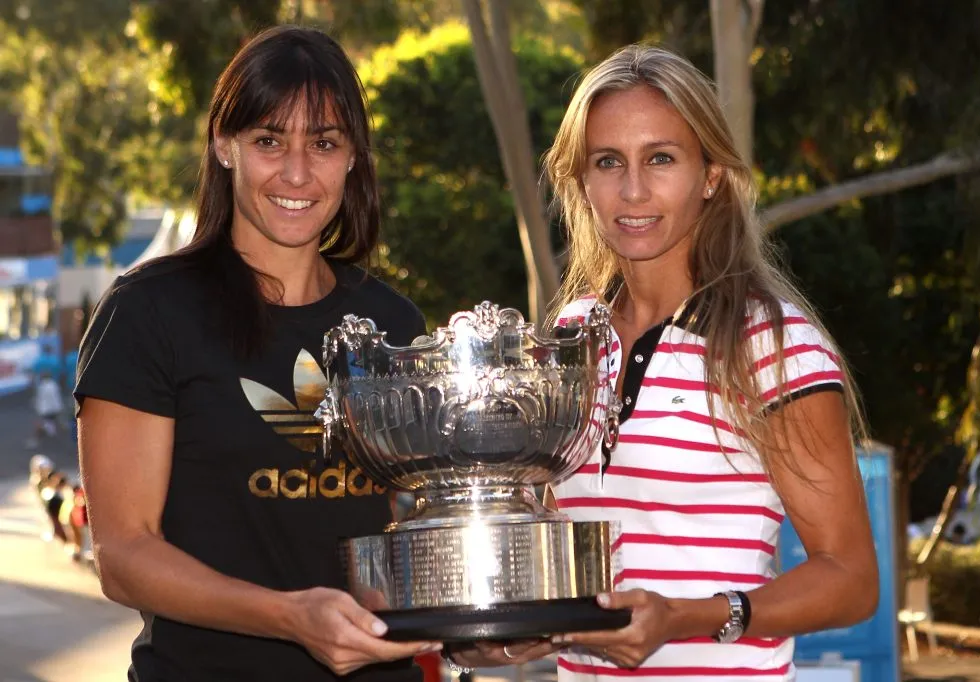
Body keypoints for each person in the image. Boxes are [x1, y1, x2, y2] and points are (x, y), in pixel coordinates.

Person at [75, 26, 440, 682]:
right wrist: (289, 616)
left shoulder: (392, 323)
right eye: (269, 140)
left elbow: (406, 526)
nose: (297, 173)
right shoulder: (148, 313)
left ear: (353, 157)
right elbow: (124, 555)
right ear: (225, 145)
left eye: (324, 143)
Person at [527, 44, 878, 680]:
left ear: (711, 174)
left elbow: (851, 579)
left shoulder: (771, 346)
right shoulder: (568, 339)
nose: (633, 189)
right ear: (581, 180)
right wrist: (504, 632)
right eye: (608, 161)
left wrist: (686, 617)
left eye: (661, 158)